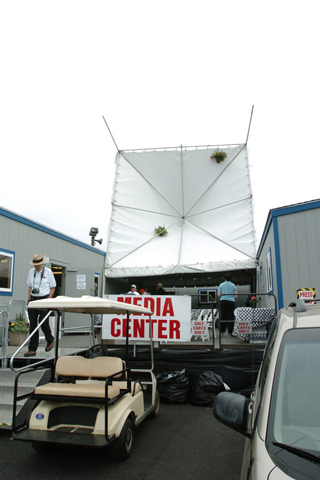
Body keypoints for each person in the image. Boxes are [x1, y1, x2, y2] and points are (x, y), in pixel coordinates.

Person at [25, 254, 56, 357]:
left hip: (44, 298)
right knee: (32, 324)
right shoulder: (31, 272)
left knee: (43, 322)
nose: (36, 267)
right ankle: (32, 349)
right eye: (35, 265)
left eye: (38, 265)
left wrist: (48, 300)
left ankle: (50, 339)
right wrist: (29, 300)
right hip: (34, 299)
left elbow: (53, 287)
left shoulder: (48, 272)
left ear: (42, 264)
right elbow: (30, 287)